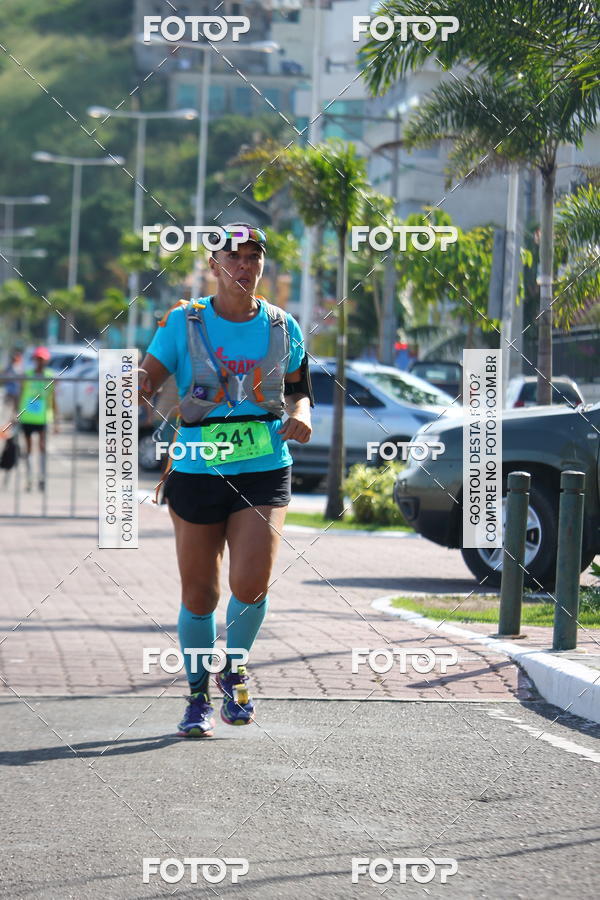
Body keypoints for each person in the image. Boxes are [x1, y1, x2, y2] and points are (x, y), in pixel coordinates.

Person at [139, 224, 314, 738]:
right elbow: (151, 375)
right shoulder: (183, 322)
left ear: (262, 264)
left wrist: (301, 415)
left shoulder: (284, 326)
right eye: (232, 257)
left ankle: (233, 667)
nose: (243, 265)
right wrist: (140, 384)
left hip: (264, 465)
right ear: (213, 265)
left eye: (253, 256)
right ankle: (196, 697)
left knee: (251, 583)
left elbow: (300, 391)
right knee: (200, 595)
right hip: (195, 469)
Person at [17, 346, 58, 492]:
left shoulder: (49, 376)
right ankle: (29, 479)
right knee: (28, 448)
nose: (40, 362)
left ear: (46, 360)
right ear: (34, 359)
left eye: (42, 359)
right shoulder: (27, 374)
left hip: (43, 418)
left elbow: (53, 399)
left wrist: (56, 422)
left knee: (42, 447)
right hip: (27, 416)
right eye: (38, 359)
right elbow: (20, 394)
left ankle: (42, 477)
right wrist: (16, 414)